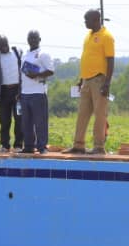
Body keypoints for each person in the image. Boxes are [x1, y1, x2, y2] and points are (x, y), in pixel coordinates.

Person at [65, 9, 115, 155]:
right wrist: (81, 79)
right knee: (82, 113)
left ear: (96, 19)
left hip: (100, 80)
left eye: (87, 19)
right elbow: (87, 58)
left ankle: (99, 147)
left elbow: (111, 60)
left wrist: (107, 83)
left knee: (100, 114)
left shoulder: (107, 36)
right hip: (86, 80)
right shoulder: (88, 36)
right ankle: (78, 145)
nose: (85, 22)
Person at [19, 30, 54, 155]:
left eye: (35, 38)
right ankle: (28, 146)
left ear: (39, 39)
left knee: (40, 122)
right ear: (27, 39)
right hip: (25, 92)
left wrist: (37, 75)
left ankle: (42, 146)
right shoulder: (24, 55)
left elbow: (50, 71)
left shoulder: (43, 54)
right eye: (30, 38)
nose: (32, 40)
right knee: (26, 122)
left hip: (38, 92)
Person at [0, 35, 23, 152]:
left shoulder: (17, 52)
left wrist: (21, 91)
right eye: (1, 46)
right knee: (4, 120)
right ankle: (4, 145)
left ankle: (18, 145)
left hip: (17, 92)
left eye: (5, 44)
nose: (4, 47)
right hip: (3, 92)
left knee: (19, 119)